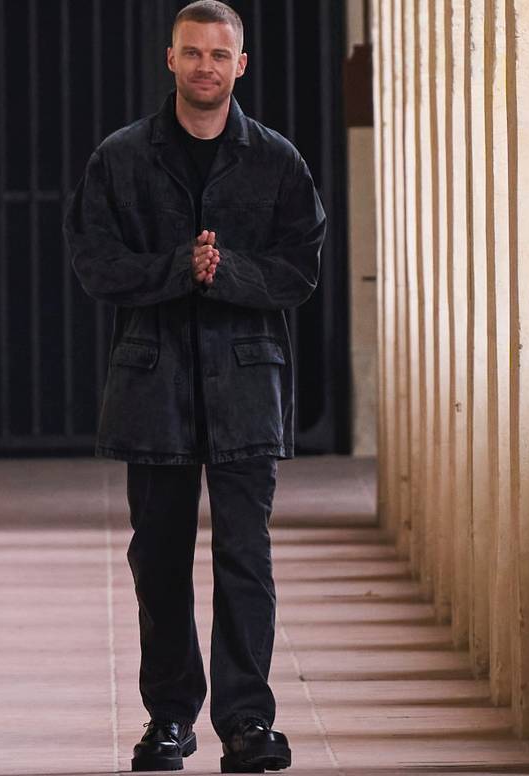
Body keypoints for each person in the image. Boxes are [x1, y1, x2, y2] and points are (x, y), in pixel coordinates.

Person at [65, 1, 326, 772]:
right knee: (161, 558)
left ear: (240, 65)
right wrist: (179, 267)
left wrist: (226, 271)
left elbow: (300, 268)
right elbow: (94, 263)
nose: (206, 66)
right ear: (170, 60)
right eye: (192, 53)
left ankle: (247, 722)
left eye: (220, 54)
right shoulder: (120, 158)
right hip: (155, 385)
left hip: (246, 383)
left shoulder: (278, 160)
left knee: (247, 557)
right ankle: (170, 719)